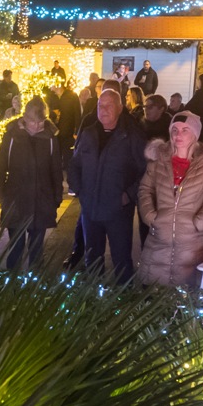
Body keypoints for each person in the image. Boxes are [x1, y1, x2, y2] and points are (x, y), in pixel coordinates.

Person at [136, 112, 203, 287]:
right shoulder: (158, 161)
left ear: (195, 134)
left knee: (186, 299)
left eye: (185, 130)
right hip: (158, 243)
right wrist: (150, 216)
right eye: (175, 129)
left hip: (192, 245)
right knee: (152, 298)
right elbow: (144, 189)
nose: (178, 135)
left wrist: (200, 222)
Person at [69, 89, 148, 281]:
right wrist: (80, 191)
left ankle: (123, 300)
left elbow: (145, 171)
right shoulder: (88, 134)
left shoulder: (131, 136)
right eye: (99, 106)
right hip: (91, 209)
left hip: (118, 211)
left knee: (121, 260)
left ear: (120, 108)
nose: (103, 110)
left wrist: (128, 196)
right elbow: (74, 164)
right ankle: (95, 300)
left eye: (108, 105)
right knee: (92, 259)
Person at [0, 99, 65, 272]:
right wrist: (0, 194)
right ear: (25, 118)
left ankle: (34, 286)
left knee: (36, 251)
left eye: (41, 122)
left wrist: (56, 196)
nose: (37, 126)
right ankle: (12, 284)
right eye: (33, 122)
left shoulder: (49, 137)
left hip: (41, 201)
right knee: (16, 249)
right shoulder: (12, 135)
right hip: (16, 201)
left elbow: (56, 169)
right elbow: (1, 166)